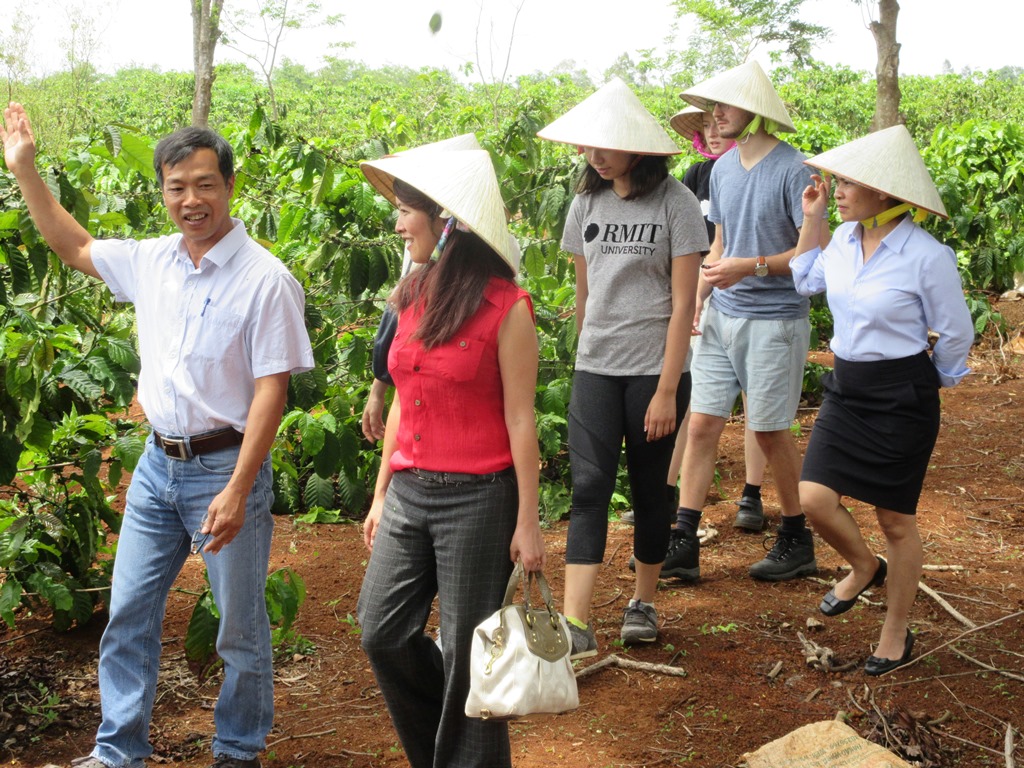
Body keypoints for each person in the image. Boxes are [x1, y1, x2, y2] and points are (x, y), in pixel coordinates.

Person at [1, 103, 314, 768]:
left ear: (230, 185)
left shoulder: (266, 280)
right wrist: (25, 170)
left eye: (204, 184)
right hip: (156, 466)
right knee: (129, 613)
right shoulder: (153, 260)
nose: (190, 199)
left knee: (239, 629)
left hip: (223, 468)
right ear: (163, 192)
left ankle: (236, 752)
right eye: (177, 187)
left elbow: (271, 393)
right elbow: (74, 245)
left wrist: (236, 487)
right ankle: (118, 753)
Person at [356, 148, 545, 768]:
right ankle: (446, 747)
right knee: (380, 630)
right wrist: (383, 491)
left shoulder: (507, 307)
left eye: (407, 210)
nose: (398, 222)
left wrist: (528, 520)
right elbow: (406, 403)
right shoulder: (409, 295)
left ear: (449, 224)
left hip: (479, 498)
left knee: (469, 649)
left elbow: (521, 418)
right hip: (411, 490)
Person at [791, 125, 973, 675]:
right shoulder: (842, 240)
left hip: (902, 397)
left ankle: (895, 631)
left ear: (885, 193)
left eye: (848, 183)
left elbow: (956, 333)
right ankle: (864, 565)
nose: (837, 189)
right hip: (847, 390)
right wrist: (813, 220)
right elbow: (803, 280)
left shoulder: (925, 255)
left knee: (896, 519)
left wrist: (926, 382)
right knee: (814, 497)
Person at [537, 77, 707, 655]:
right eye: (587, 146)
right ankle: (577, 622)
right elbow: (586, 290)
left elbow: (684, 301)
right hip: (597, 369)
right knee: (588, 488)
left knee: (649, 491)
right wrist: (587, 346)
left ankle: (643, 602)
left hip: (653, 372)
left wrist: (666, 390)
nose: (594, 156)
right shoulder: (585, 202)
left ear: (638, 145)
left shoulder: (677, 204)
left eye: (605, 145)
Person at [666, 61, 818, 583]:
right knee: (704, 422)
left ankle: (797, 537)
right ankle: (684, 540)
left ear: (756, 112)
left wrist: (749, 268)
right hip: (723, 315)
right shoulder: (724, 169)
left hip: (774, 320)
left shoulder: (795, 169)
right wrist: (700, 297)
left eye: (727, 104)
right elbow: (720, 244)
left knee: (771, 430)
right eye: (714, 106)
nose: (717, 114)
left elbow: (809, 254)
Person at [669, 104, 768, 533]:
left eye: (716, 123)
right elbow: (700, 244)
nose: (711, 132)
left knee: (756, 402)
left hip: (752, 296)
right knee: (696, 398)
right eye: (704, 126)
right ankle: (670, 492)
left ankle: (752, 493)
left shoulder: (760, 171)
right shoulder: (696, 177)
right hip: (704, 290)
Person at [360, 133, 485, 444]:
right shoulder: (421, 249)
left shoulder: (491, 271)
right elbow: (399, 317)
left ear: (441, 214)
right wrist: (379, 389)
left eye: (405, 211)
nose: (398, 226)